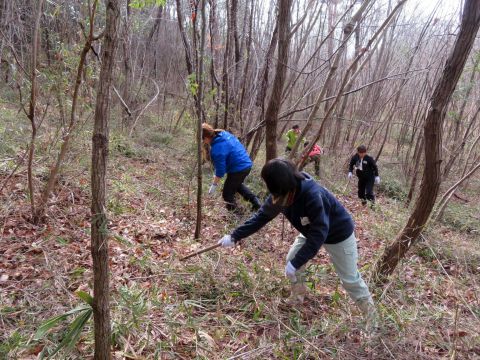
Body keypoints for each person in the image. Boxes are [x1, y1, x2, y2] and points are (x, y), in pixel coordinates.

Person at [217, 159, 377, 329]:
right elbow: (261, 217)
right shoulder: (280, 195)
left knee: (350, 279)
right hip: (310, 231)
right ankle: (297, 298)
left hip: (338, 235)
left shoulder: (312, 195)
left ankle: (372, 322)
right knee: (291, 258)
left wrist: (297, 262)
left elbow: (319, 233)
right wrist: (234, 236)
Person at [202, 123, 261, 212]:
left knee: (227, 194)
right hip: (246, 164)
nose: (203, 142)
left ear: (206, 138)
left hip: (239, 169)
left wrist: (213, 186)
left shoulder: (217, 149)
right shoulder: (223, 134)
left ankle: (236, 215)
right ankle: (256, 203)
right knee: (237, 185)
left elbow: (221, 171)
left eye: (203, 140)